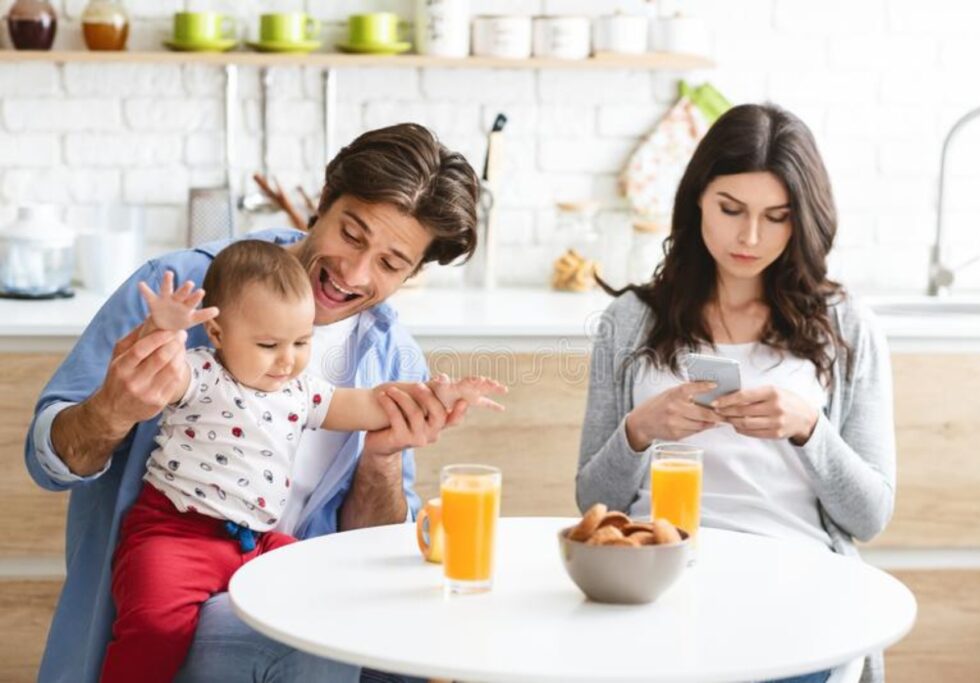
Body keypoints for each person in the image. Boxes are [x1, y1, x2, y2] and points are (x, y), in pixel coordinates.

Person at [26, 123, 480, 683]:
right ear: (322, 203)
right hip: (169, 572)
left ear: (412, 273)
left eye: (390, 264)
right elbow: (45, 456)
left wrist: (381, 459)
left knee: (424, 637)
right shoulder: (185, 291)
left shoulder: (392, 356)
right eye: (352, 234)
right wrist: (112, 409)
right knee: (313, 640)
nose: (355, 273)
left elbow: (374, 547)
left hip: (268, 556)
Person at [576, 104, 896, 683]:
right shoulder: (629, 321)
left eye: (776, 217)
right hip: (656, 578)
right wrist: (640, 430)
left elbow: (870, 516)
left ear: (803, 222)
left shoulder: (846, 327)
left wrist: (808, 429)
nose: (749, 237)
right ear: (697, 197)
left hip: (793, 588)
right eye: (730, 210)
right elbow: (590, 502)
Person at [101, 241, 505, 683]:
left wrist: (436, 397)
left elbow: (374, 404)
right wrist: (163, 331)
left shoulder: (300, 391)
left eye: (302, 341)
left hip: (256, 542)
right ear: (218, 335)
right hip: (176, 535)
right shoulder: (198, 375)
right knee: (153, 630)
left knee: (327, 593)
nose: (288, 359)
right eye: (269, 344)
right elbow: (158, 369)